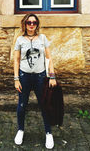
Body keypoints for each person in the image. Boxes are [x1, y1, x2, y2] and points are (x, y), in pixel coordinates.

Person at [13, 13, 57, 149]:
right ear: (24, 24)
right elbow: (16, 60)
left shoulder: (43, 38)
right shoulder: (20, 40)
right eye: (29, 22)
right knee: (22, 105)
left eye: (34, 22)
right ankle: (20, 130)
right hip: (24, 76)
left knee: (44, 105)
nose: (31, 25)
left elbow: (49, 58)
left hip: (40, 77)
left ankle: (48, 133)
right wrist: (16, 79)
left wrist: (52, 76)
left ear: (37, 24)